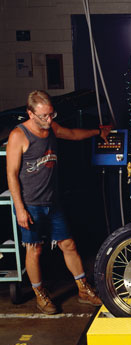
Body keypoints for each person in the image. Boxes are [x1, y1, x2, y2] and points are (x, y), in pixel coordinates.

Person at [6, 90, 108, 314]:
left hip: (53, 202)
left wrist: (97, 131)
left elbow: (71, 133)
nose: (49, 120)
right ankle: (40, 294)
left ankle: (83, 288)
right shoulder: (18, 135)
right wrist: (20, 209)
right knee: (34, 249)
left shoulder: (50, 128)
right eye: (43, 116)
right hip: (30, 203)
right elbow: (12, 174)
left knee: (68, 244)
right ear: (30, 114)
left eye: (51, 115)